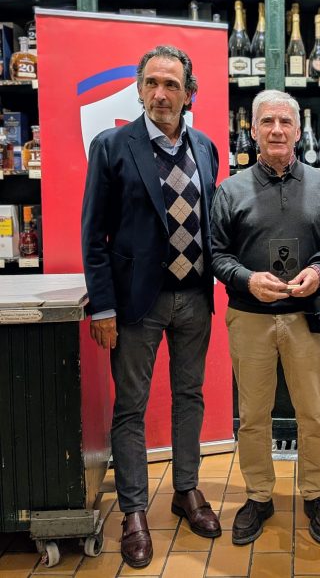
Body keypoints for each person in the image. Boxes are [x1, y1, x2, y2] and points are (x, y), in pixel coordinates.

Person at [81, 45, 221, 569]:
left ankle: (186, 490)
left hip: (195, 298)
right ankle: (134, 511)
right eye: (152, 83)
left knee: (190, 396)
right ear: (140, 89)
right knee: (131, 407)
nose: (161, 94)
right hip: (136, 304)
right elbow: (94, 236)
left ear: (189, 94)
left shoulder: (205, 147)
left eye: (172, 85)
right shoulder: (113, 146)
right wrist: (102, 308)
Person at [210, 90, 320, 547]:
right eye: (267, 122)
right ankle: (258, 496)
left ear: (299, 131)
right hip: (250, 318)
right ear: (253, 130)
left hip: (306, 317)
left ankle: (316, 494)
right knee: (252, 416)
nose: (277, 130)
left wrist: (319, 270)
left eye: (285, 122)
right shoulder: (230, 191)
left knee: (313, 414)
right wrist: (246, 279)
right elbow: (217, 255)